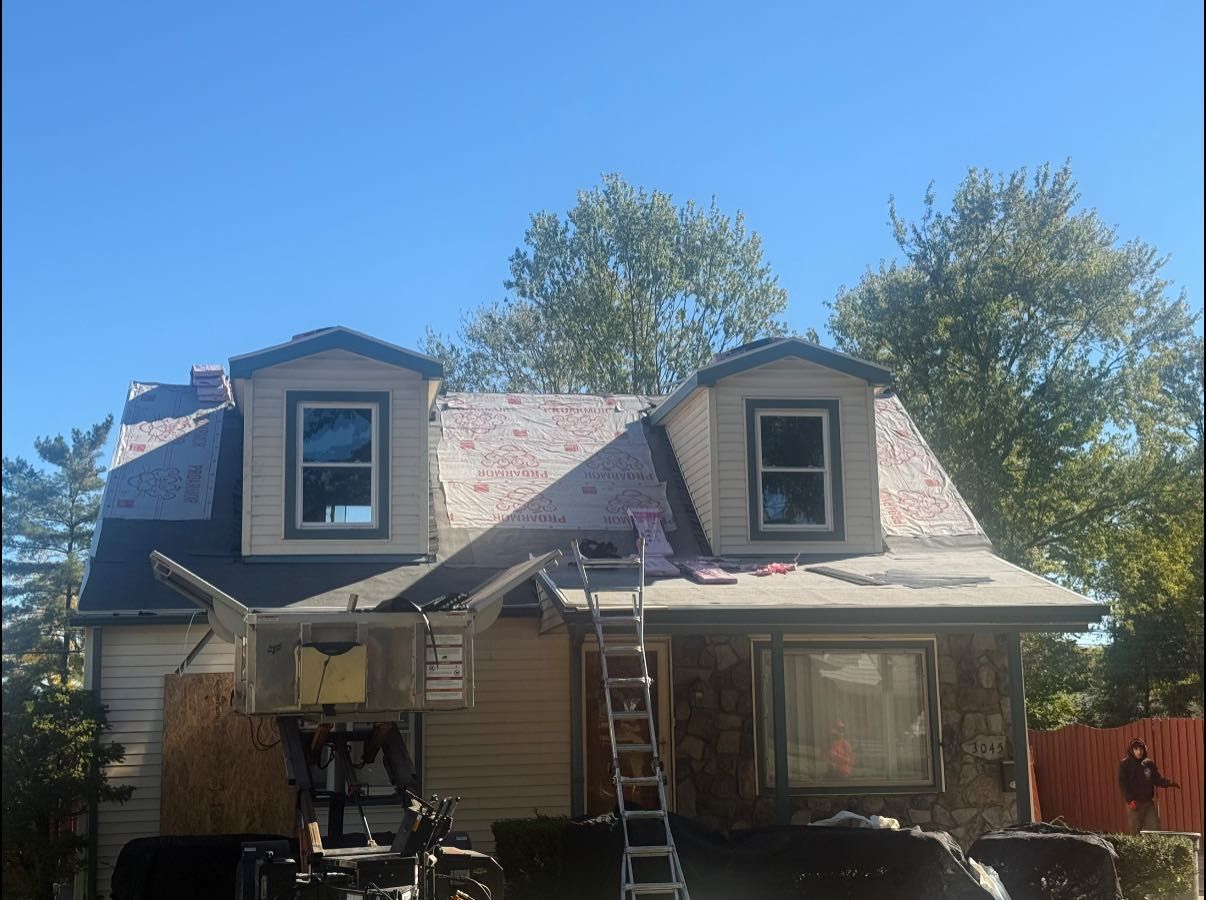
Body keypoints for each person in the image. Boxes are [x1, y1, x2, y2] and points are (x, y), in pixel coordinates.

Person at [1117, 737, 1180, 834]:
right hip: (1134, 804)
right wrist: (1129, 800)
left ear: (1144, 749)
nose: (1139, 751)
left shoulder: (1149, 763)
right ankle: (1136, 849)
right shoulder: (1125, 764)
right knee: (1136, 831)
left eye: (1141, 749)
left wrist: (1170, 783)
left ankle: (1153, 849)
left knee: (1154, 828)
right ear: (1131, 750)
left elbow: (1157, 779)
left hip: (1148, 803)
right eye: (1136, 749)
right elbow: (1123, 784)